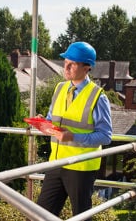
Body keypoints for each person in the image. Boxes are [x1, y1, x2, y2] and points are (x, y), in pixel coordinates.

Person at [36, 41, 112, 220]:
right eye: (66, 62)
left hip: (81, 167)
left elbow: (106, 136)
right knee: (40, 215)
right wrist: (42, 123)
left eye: (73, 63)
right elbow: (52, 119)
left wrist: (73, 137)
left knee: (81, 216)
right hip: (56, 163)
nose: (67, 67)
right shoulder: (60, 88)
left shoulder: (98, 97)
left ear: (87, 67)